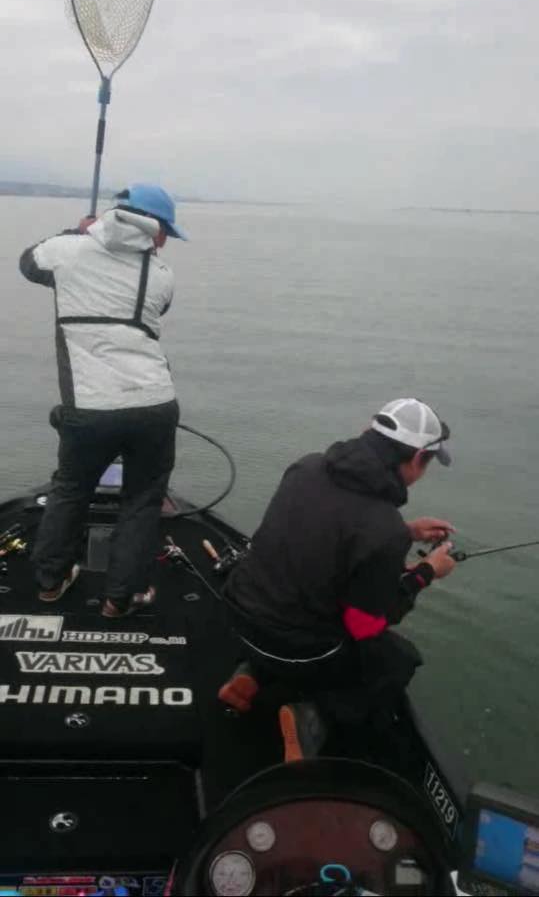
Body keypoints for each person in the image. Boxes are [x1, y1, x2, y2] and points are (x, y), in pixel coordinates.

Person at [219, 397, 457, 761]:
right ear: (417, 458)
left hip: (240, 618)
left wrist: (406, 533)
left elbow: (327, 532)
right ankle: (314, 719)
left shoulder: (306, 467)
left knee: (291, 607)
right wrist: (427, 573)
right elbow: (365, 626)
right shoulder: (383, 527)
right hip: (292, 646)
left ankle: (251, 674)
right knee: (396, 660)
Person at [19, 184, 186, 616]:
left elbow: (29, 263)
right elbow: (155, 309)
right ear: (153, 227)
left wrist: (77, 233)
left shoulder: (66, 251)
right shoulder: (162, 275)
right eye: (167, 232)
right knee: (143, 501)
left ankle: (51, 581)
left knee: (71, 490)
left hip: (90, 409)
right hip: (154, 405)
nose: (165, 241)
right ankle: (119, 599)